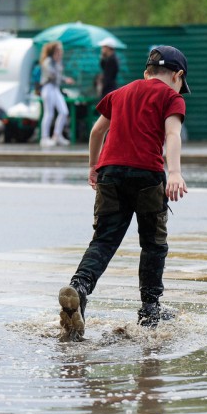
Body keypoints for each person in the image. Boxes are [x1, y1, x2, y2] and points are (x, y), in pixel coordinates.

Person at [58, 45, 191, 341]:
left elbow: (96, 132)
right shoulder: (171, 97)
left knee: (104, 240)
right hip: (147, 175)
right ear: (178, 76)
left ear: (147, 72)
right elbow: (172, 134)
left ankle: (79, 289)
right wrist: (175, 172)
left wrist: (94, 167)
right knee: (153, 244)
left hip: (110, 174)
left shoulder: (119, 93)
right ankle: (149, 310)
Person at [38, 41, 75, 148]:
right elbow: (51, 74)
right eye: (58, 50)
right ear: (53, 51)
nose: (60, 52)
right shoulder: (48, 61)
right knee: (49, 113)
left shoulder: (57, 62)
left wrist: (65, 79)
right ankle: (44, 138)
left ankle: (57, 135)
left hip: (55, 88)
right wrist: (57, 63)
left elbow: (59, 76)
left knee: (64, 112)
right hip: (48, 88)